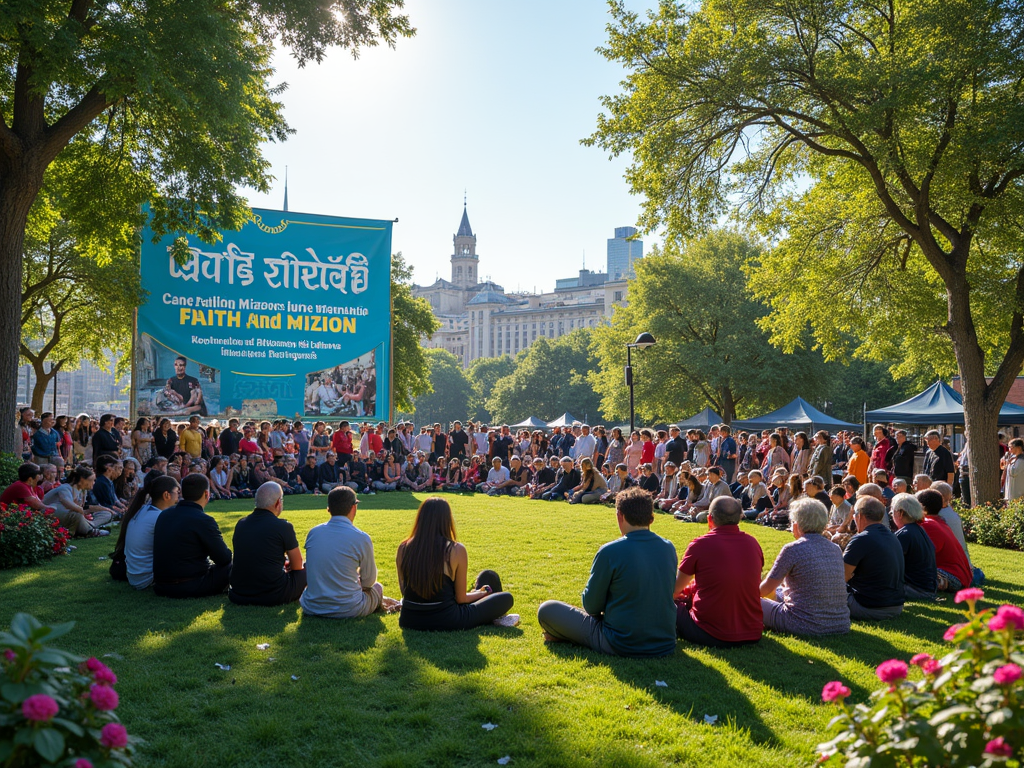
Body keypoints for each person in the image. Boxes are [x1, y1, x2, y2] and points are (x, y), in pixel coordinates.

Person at [538, 487, 677, 656]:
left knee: (547, 610)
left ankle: (565, 634)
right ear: (652, 518)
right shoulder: (668, 547)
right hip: (665, 641)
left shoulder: (610, 551)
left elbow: (591, 606)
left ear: (620, 516)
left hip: (620, 641)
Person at [397, 497, 515, 630]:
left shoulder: (403, 548)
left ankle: (489, 606)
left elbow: (404, 591)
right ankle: (495, 615)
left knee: (487, 576)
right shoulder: (456, 549)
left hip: (409, 619)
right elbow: (461, 599)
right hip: (448, 620)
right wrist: (482, 593)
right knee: (506, 598)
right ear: (447, 520)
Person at [675, 496, 763, 648]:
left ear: (710, 519)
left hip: (710, 633)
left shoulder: (700, 544)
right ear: (739, 518)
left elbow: (674, 590)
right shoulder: (753, 543)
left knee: (666, 602)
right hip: (752, 632)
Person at [759, 498, 851, 635]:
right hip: (840, 623)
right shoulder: (835, 548)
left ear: (796, 524)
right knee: (779, 590)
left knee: (748, 602)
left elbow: (766, 588)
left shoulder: (793, 549)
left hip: (803, 623)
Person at [301, 487, 393, 618]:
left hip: (312, 606)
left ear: (329, 508)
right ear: (354, 508)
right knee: (377, 587)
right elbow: (369, 582)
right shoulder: (361, 538)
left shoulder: (313, 533)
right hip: (348, 609)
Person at [152, 473, 232, 598]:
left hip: (161, 585)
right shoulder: (203, 520)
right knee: (234, 565)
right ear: (207, 494)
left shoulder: (164, 514)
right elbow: (224, 558)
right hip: (191, 585)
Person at [229, 482, 306, 606]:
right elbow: (297, 566)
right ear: (277, 503)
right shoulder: (283, 526)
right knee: (308, 568)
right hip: (273, 594)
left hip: (239, 593)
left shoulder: (241, 524)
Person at [843, 497, 905, 620]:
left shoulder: (861, 539)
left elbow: (842, 576)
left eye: (854, 515)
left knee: (826, 588)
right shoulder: (892, 536)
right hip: (896, 605)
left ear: (860, 516)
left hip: (869, 606)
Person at [121, 474, 180, 589]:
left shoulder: (142, 510)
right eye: (177, 492)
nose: (178, 497)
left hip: (134, 576)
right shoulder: (160, 517)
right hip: (147, 579)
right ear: (167, 495)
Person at [917, 489, 973, 593]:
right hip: (962, 576)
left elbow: (925, 556)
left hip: (952, 576)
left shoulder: (928, 525)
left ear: (921, 507)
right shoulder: (939, 522)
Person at [890, 492, 937, 601]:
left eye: (892, 512)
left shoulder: (905, 534)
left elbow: (888, 565)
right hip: (928, 589)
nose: (891, 516)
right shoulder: (918, 529)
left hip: (917, 590)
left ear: (901, 513)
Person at [42, 466, 112, 537]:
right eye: (92, 480)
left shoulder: (82, 491)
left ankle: (87, 526)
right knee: (76, 513)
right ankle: (89, 530)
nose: (94, 483)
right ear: (82, 479)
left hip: (71, 516)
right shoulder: (65, 488)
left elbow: (84, 508)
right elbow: (67, 503)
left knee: (106, 514)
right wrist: (81, 511)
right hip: (50, 514)